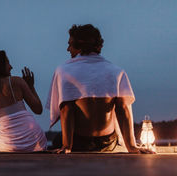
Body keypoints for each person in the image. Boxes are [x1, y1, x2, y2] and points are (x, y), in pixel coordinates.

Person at [46, 24, 151, 153]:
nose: (68, 49)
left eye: (70, 44)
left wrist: (67, 147)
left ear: (79, 46)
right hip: (108, 141)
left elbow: (66, 109)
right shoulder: (116, 71)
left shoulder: (64, 71)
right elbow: (123, 109)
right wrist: (132, 147)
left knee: (57, 140)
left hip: (78, 142)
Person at [0, 50, 47, 152]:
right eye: (8, 63)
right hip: (34, 141)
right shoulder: (17, 81)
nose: (11, 66)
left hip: (4, 145)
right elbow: (38, 109)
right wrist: (31, 86)